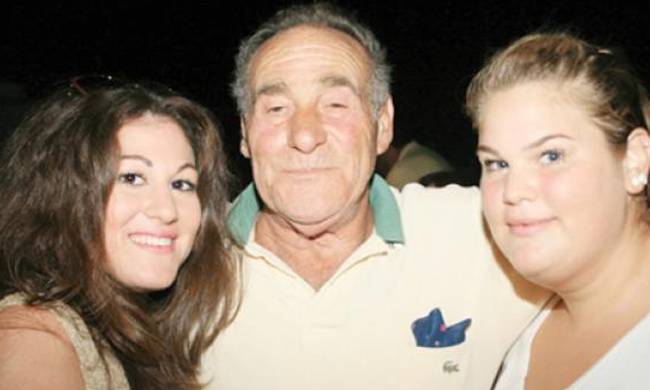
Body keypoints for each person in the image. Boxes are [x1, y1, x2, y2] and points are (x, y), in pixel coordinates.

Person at [200, 3, 549, 389]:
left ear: (383, 125)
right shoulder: (185, 260)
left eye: (335, 104)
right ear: (246, 134)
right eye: (276, 108)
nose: (304, 135)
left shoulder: (480, 232)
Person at [0, 80, 237, 389]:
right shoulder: (34, 336)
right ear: (63, 195)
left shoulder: (151, 334)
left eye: (182, 184)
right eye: (132, 177)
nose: (166, 211)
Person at [468, 32, 650, 389]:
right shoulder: (528, 329)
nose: (514, 192)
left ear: (635, 160)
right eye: (497, 164)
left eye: (551, 156)